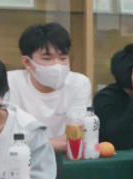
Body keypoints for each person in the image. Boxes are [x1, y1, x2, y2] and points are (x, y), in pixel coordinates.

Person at [6, 23, 92, 152]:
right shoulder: (9, 82)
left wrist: (30, 145)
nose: (57, 65)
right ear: (27, 62)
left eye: (63, 58)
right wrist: (53, 145)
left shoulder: (79, 83)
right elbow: (7, 138)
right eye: (47, 58)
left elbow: (77, 135)